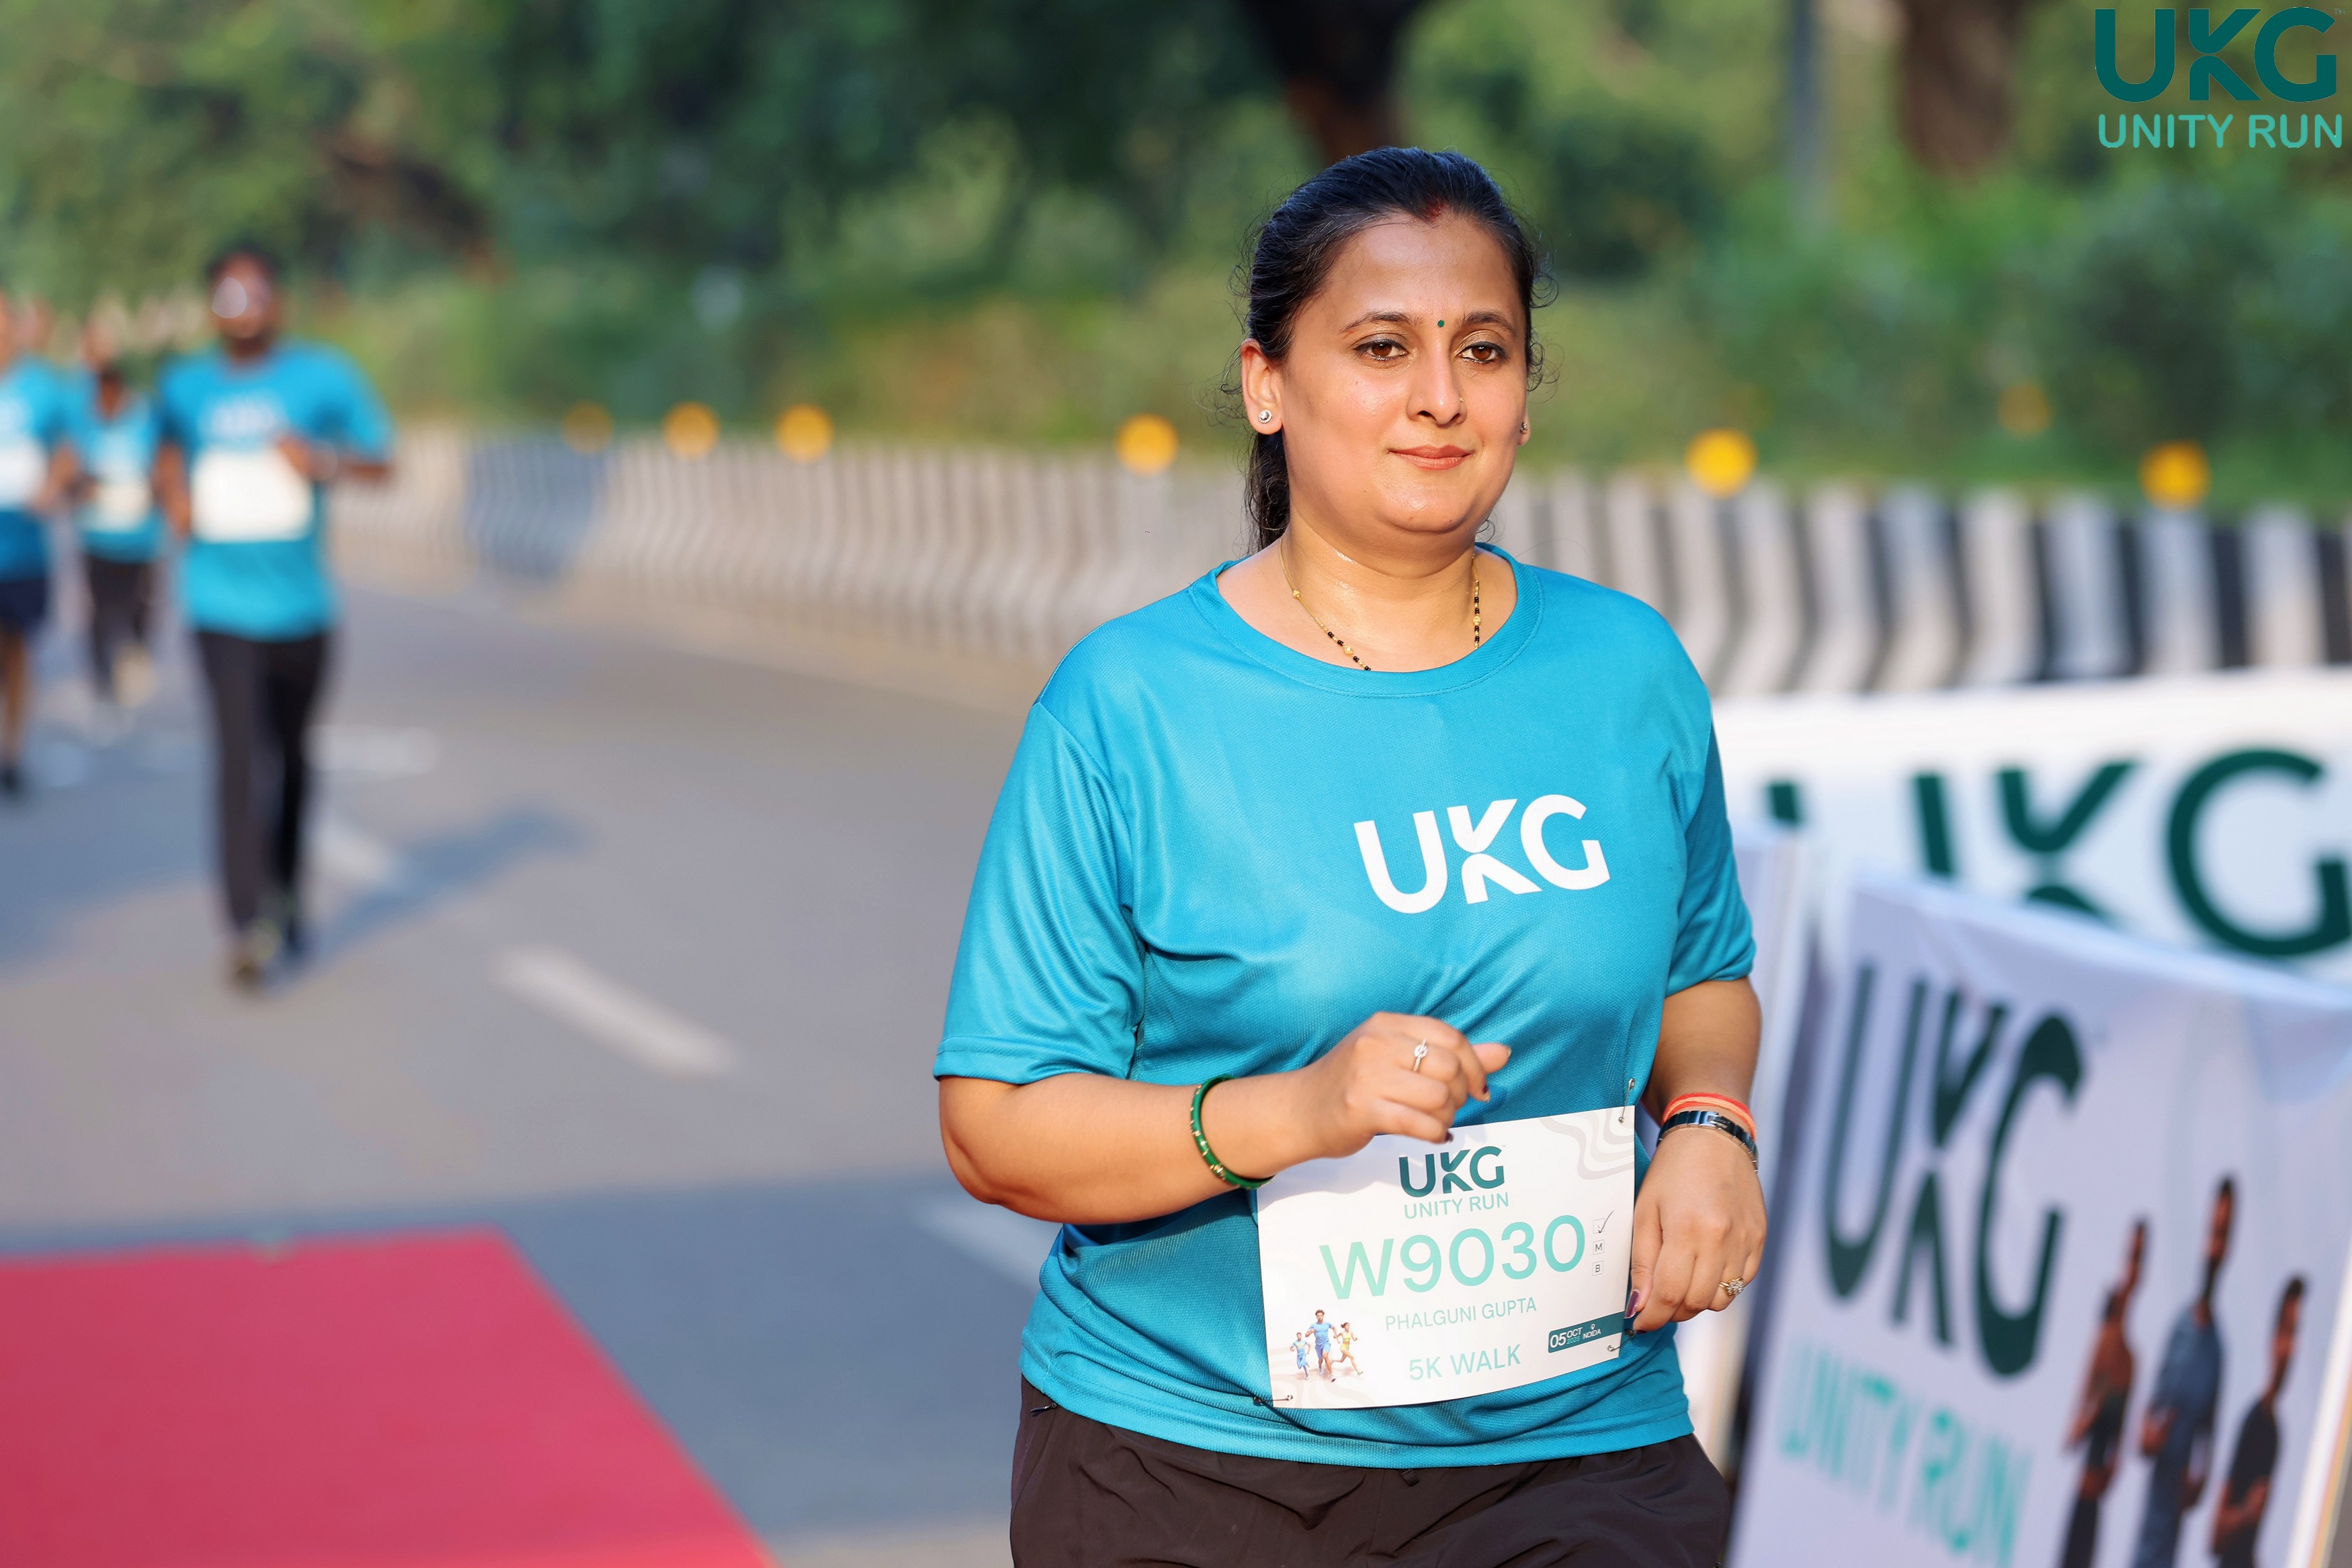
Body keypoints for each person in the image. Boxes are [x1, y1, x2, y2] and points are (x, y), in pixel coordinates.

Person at [937, 148, 1762, 1568]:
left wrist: (1708, 1124)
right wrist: (1297, 1112)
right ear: (1268, 384)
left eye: (1482, 349)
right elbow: (996, 1124)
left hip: (1577, 1441)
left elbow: (1703, 972)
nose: (1439, 395)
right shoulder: (1131, 706)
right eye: (1382, 348)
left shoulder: (1628, 669)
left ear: (1524, 390)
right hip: (1192, 1460)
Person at [155, 244, 393, 988]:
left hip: (303, 609)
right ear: (212, 306)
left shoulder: (323, 378)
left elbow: (382, 461)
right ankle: (245, 923)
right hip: (219, 605)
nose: (244, 308)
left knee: (290, 759)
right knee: (237, 757)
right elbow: (164, 455)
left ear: (277, 301)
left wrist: (321, 462)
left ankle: (286, 889)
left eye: (256, 293)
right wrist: (174, 496)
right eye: (229, 296)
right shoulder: (185, 386)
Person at [2134, 1178, 2237, 1568]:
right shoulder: (2179, 1328)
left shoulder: (2218, 1351)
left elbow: (2209, 1434)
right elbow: (2148, 1419)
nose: (2214, 1249)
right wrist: (2150, 1436)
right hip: (2152, 1508)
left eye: (2223, 1237)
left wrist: (2198, 1481)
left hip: (2173, 1522)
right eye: (2212, 1233)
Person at [0, 286, 78, 800]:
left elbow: (69, 452)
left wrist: (52, 485)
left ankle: (12, 751)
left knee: (17, 651)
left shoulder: (43, 388)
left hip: (23, 550)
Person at [70, 340, 168, 712]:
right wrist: (83, 486)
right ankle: (101, 678)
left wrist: (155, 489)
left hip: (140, 538)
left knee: (140, 606)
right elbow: (69, 473)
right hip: (98, 538)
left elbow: (164, 466)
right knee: (99, 609)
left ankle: (135, 655)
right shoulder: (84, 422)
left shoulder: (146, 421)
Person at [2060, 1220, 2147, 1568]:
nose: (2133, 1271)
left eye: (2139, 1260)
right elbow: (2075, 1430)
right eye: (2131, 1258)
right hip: (2083, 1494)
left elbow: (2119, 1448)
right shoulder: (2104, 1344)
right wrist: (2091, 1414)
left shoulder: (2131, 1360)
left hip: (2096, 1501)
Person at [2209, 1276, 2306, 1568]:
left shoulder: (2275, 1432)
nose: (2290, 1348)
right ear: (2273, 1339)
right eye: (2287, 1333)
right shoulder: (2254, 1423)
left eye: (2296, 1335)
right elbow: (2215, 1537)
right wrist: (2245, 1513)